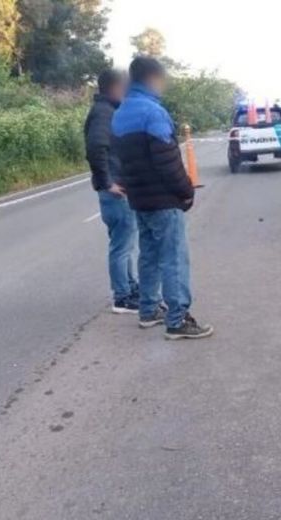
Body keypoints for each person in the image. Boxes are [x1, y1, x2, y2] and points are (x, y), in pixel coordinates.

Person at [110, 56, 214, 340]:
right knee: (174, 259)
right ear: (152, 78)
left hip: (139, 200)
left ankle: (148, 310)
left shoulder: (120, 114)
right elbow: (168, 160)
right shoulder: (152, 113)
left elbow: (120, 161)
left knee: (149, 256)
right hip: (164, 200)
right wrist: (186, 191)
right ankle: (178, 319)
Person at [84, 69, 140, 314]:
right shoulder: (103, 113)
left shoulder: (109, 111)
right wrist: (108, 183)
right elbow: (96, 148)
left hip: (120, 187)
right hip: (115, 192)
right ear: (115, 88)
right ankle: (122, 296)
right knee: (121, 245)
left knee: (126, 243)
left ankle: (130, 286)